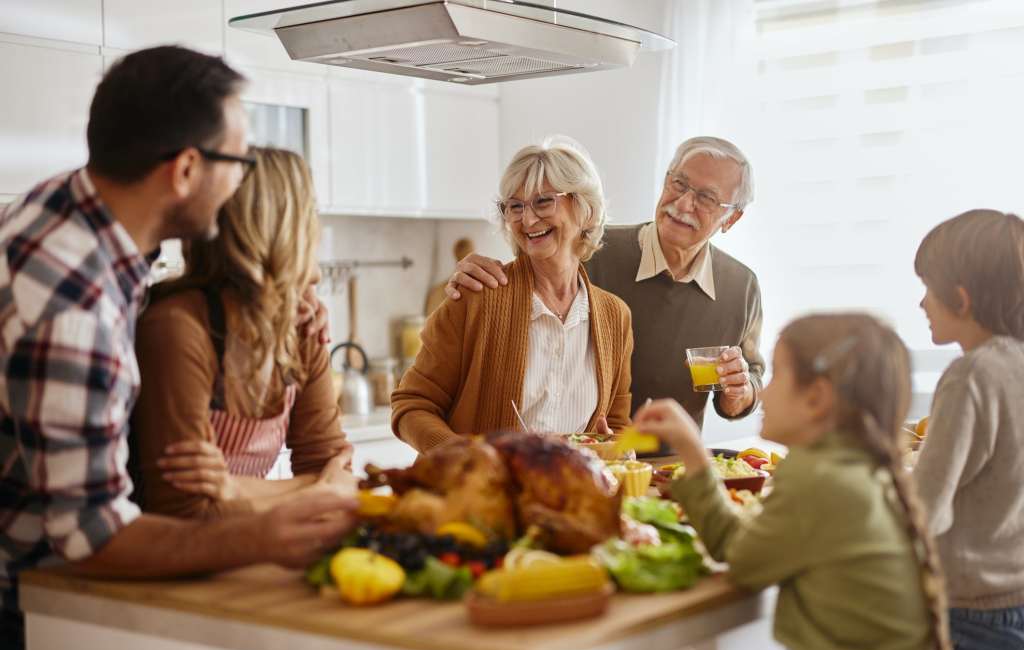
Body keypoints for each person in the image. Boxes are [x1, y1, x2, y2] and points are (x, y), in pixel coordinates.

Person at [0, 46, 354, 650]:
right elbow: (94, 538)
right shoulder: (75, 310)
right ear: (186, 170)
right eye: (240, 161)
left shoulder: (71, 214)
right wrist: (261, 535)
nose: (247, 181)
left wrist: (271, 299)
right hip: (22, 604)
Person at [635, 313, 956, 650]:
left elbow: (737, 556)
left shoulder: (818, 477)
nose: (765, 391)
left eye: (776, 375)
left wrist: (691, 449)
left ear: (816, 397)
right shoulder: (863, 468)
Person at [445, 136, 764, 430]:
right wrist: (476, 276)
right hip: (586, 462)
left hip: (670, 469)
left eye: (706, 198)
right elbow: (520, 279)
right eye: (678, 184)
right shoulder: (589, 248)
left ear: (731, 218)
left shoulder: (741, 287)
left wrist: (739, 393)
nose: (682, 203)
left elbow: (748, 380)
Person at [129, 147, 356, 518]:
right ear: (285, 227)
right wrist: (309, 488)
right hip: (159, 565)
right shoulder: (177, 329)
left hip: (241, 553)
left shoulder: (300, 327)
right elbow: (186, 509)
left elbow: (337, 475)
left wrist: (233, 489)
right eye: (310, 214)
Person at [391, 137, 633, 453]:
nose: (528, 219)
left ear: (585, 210)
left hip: (563, 498)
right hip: (473, 496)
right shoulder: (476, 297)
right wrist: (461, 455)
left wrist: (612, 448)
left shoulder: (614, 316)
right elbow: (411, 404)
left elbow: (615, 425)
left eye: (544, 201)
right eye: (515, 206)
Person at [911, 209, 1024, 650]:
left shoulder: (972, 374)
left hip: (971, 614)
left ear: (960, 297)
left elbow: (924, 510)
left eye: (927, 289)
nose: (921, 304)